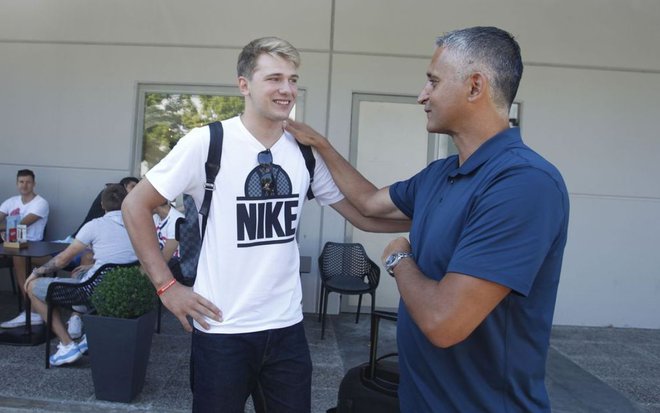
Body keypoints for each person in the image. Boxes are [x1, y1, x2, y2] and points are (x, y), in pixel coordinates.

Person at [285, 26, 569, 412]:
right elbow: (369, 205)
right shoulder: (441, 174)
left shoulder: (523, 183)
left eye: (432, 81)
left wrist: (399, 259)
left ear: (474, 87)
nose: (422, 95)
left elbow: (443, 321)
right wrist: (320, 150)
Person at [122, 36, 409, 412]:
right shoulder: (208, 143)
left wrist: (439, 223)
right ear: (244, 84)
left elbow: (365, 215)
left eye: (292, 79)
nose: (286, 89)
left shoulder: (304, 152)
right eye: (274, 78)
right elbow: (134, 206)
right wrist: (166, 286)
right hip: (222, 329)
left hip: (286, 328)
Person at [23, 184, 138, 366]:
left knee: (32, 287)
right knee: (78, 274)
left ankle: (67, 345)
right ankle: (88, 336)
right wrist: (92, 267)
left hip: (93, 290)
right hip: (124, 288)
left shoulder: (94, 225)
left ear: (102, 205)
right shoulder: (139, 225)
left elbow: (62, 260)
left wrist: (36, 273)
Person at [0, 169, 50, 328]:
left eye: (28, 182)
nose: (24, 185)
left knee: (19, 258)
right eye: (21, 182)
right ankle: (31, 310)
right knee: (16, 255)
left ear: (34, 184)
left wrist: (5, 229)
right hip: (11, 246)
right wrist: (4, 230)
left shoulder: (41, 202)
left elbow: (20, 224)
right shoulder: (11, 201)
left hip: (34, 247)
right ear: (17, 184)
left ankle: (31, 312)